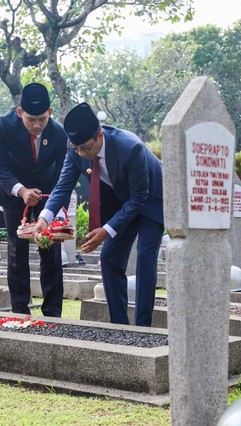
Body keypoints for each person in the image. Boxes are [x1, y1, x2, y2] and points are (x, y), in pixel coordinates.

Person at [32, 102, 163, 327]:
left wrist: (107, 230)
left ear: (99, 136)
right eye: (76, 148)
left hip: (152, 201)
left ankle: (143, 327)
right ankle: (119, 325)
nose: (81, 153)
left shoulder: (130, 147)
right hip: (123, 203)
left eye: (85, 148)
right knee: (109, 258)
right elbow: (63, 186)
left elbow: (139, 197)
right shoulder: (75, 149)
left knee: (145, 259)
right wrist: (45, 218)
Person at [0, 83, 67, 317]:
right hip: (14, 193)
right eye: (31, 119)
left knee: (50, 249)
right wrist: (22, 191)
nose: (36, 125)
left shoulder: (59, 132)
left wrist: (53, 202)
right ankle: (20, 311)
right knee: (17, 251)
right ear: (20, 113)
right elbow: (0, 167)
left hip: (47, 194)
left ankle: (53, 312)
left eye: (42, 120)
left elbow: (63, 171)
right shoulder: (2, 126)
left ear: (51, 113)